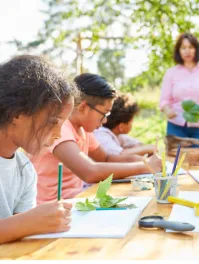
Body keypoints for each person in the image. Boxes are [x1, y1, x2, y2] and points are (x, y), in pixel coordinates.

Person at [31, 73, 161, 204]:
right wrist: (146, 167)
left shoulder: (83, 129)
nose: (105, 121)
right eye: (104, 113)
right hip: (51, 209)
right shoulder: (60, 128)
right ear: (83, 107)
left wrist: (144, 161)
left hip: (76, 201)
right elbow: (89, 172)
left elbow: (107, 158)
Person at [0, 55, 77, 243]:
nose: (58, 134)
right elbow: (21, 226)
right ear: (17, 113)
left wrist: (35, 222)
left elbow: (18, 240)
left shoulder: (25, 170)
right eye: (53, 121)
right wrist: (28, 222)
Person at [159, 32, 199, 145]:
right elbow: (164, 100)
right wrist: (167, 109)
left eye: (190, 47)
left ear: (196, 49)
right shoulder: (171, 73)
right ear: (178, 51)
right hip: (176, 126)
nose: (187, 51)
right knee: (176, 161)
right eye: (183, 48)